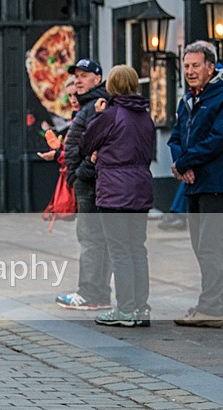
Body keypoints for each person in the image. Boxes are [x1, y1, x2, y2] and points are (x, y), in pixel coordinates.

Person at [80, 65, 156, 327]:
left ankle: (124, 310)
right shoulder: (145, 116)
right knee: (138, 249)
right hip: (140, 190)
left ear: (111, 86)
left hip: (114, 192)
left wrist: (98, 116)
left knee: (119, 251)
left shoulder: (110, 115)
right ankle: (141, 309)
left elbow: (86, 143)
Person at [168, 41, 223, 328]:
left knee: (209, 246)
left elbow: (218, 139)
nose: (190, 71)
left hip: (217, 182)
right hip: (194, 184)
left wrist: (186, 163)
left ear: (210, 67)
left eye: (196, 65)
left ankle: (210, 308)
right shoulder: (188, 100)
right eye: (186, 66)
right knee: (203, 246)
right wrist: (182, 163)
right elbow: (175, 138)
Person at [55, 58, 112, 311]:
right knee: (95, 239)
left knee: (91, 239)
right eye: (76, 75)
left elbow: (98, 147)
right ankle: (97, 293)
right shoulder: (90, 105)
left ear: (97, 79)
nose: (78, 79)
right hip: (86, 181)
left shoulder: (97, 106)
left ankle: (90, 293)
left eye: (84, 75)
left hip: (90, 183)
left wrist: (79, 173)